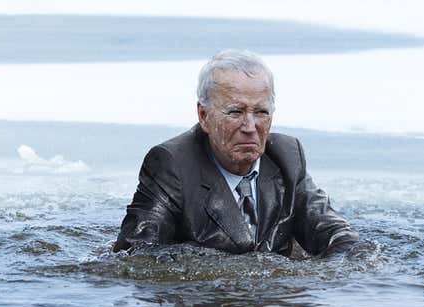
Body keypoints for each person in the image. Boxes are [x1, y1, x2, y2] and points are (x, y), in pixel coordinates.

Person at [114, 49, 360, 257]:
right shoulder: (171, 164)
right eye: (235, 112)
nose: (250, 127)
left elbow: (335, 234)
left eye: (261, 112)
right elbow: (136, 254)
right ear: (204, 116)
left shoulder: (287, 156)